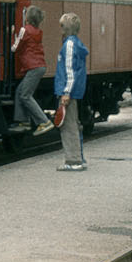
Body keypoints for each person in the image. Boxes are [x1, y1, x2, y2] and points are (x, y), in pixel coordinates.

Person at [7, 5, 52, 135]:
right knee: (20, 91)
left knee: (25, 95)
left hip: (33, 68)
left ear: (27, 17)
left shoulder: (24, 30)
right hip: (38, 66)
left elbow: (15, 48)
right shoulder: (37, 31)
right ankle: (23, 121)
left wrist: (12, 35)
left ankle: (44, 122)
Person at [54, 12, 89, 171]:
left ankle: (73, 161)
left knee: (68, 126)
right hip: (75, 91)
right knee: (74, 124)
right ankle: (79, 157)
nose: (59, 29)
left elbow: (69, 70)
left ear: (64, 28)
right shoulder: (77, 43)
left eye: (61, 26)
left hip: (68, 91)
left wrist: (66, 92)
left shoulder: (68, 45)